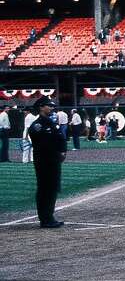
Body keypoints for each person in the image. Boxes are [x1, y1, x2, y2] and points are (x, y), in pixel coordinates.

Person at [28, 96, 66, 228]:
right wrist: (56, 152)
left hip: (54, 160)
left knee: (53, 188)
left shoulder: (51, 123)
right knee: (45, 189)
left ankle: (50, 216)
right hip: (44, 161)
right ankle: (45, 218)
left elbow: (61, 138)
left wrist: (62, 151)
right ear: (41, 107)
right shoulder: (37, 126)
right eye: (48, 106)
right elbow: (42, 144)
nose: (51, 108)